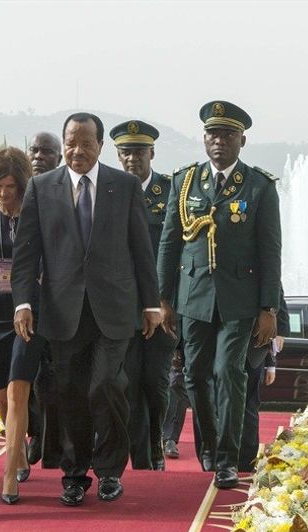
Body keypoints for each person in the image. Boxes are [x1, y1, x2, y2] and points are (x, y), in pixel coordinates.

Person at [12, 112, 161, 506]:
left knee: (107, 386)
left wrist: (151, 303)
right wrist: (23, 302)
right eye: (70, 143)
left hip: (114, 309)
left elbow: (142, 250)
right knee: (70, 391)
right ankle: (75, 474)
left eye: (85, 143)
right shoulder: (42, 188)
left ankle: (110, 470)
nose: (77, 151)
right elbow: (26, 253)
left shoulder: (124, 186)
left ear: (100, 146)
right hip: (63, 311)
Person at [157, 100, 281, 489]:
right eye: (213, 133)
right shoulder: (185, 182)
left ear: (242, 140)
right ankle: (209, 445)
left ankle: (227, 458)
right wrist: (163, 300)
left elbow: (270, 251)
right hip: (193, 297)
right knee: (193, 375)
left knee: (229, 371)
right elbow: (169, 243)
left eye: (227, 134)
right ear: (204, 138)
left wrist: (268, 308)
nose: (219, 141)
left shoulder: (259, 186)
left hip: (239, 301)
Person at [0, 146, 47, 504]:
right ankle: (17, 451)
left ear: (23, 185)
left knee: (19, 390)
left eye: (11, 186)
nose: (4, 192)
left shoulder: (37, 215)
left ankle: (8, 477)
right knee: (0, 393)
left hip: (29, 310)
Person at [110, 119, 178, 470]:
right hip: (123, 308)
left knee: (155, 382)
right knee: (129, 382)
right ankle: (142, 457)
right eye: (126, 153)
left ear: (152, 152)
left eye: (139, 152)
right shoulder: (110, 192)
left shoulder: (171, 191)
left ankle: (155, 443)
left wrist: (169, 301)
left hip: (162, 306)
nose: (132, 159)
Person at [23, 132, 64, 469]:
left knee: (52, 377)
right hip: (23, 301)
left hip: (59, 301)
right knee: (28, 376)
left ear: (59, 157)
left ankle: (51, 441)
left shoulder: (63, 194)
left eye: (47, 151)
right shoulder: (18, 190)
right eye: (34, 150)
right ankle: (34, 434)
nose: (38, 156)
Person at [237, 291, 288, 472]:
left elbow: (275, 292)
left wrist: (271, 363)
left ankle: (246, 461)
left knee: (249, 406)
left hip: (254, 345)